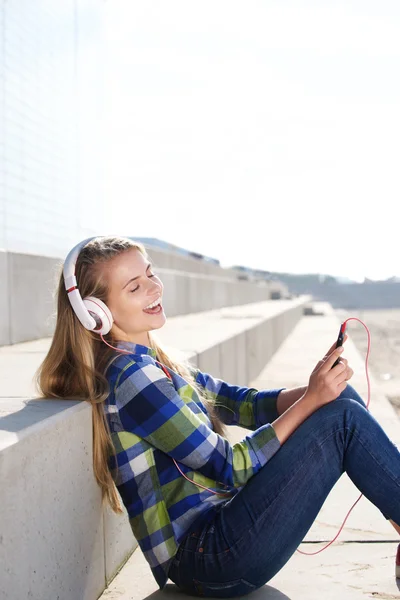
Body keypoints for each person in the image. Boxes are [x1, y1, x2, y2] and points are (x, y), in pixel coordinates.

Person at [36, 236, 400, 597]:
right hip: (207, 557)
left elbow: (242, 404)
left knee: (340, 398)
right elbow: (230, 466)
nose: (153, 287)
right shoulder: (132, 379)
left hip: (223, 532)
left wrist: (315, 390)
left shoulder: (157, 362)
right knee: (342, 420)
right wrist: (311, 401)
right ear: (96, 314)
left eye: (150, 274)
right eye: (134, 287)